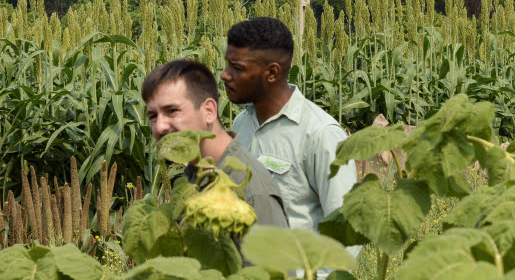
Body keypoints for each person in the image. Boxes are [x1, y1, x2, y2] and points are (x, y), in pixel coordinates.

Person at [220, 16, 357, 232]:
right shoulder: (241, 123)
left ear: (272, 73)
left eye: (236, 67)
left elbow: (346, 232)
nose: (224, 75)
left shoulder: (321, 134)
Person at [141, 59, 288, 228]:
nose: (160, 126)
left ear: (209, 111)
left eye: (172, 111)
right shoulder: (195, 176)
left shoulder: (250, 193)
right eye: (153, 116)